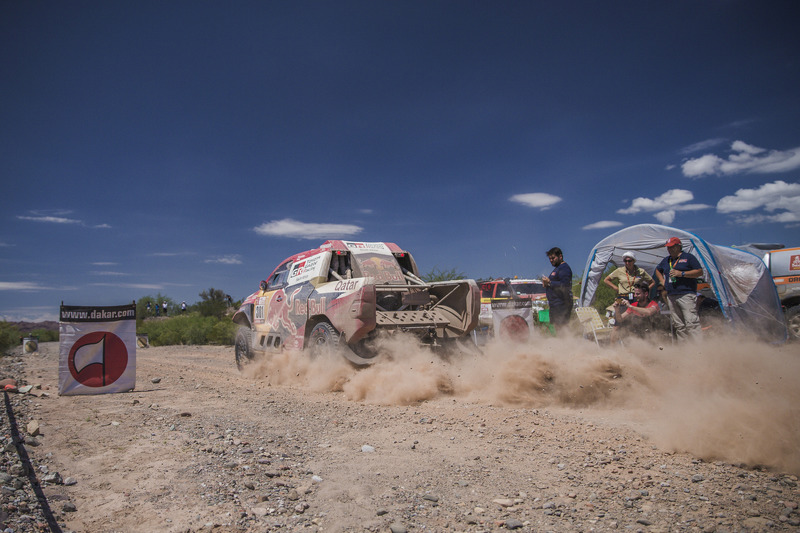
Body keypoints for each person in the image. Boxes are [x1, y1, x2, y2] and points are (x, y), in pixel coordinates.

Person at [655, 237, 703, 340]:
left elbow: (699, 271)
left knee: (691, 323)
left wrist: (682, 273)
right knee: (679, 325)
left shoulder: (688, 257)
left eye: (672, 247)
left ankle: (699, 349)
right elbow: (658, 270)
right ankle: (684, 350)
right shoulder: (666, 260)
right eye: (668, 247)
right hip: (671, 295)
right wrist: (662, 282)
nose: (669, 249)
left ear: (679, 246)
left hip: (686, 294)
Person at [541, 247, 573, 329]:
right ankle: (563, 341)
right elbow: (552, 284)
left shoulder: (564, 268)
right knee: (557, 328)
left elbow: (565, 285)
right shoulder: (557, 269)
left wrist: (550, 282)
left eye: (553, 258)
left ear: (560, 256)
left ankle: (568, 341)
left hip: (562, 304)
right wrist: (546, 284)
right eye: (550, 259)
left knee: (562, 328)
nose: (551, 260)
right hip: (555, 304)